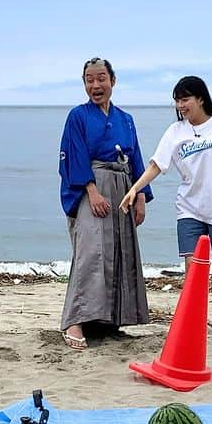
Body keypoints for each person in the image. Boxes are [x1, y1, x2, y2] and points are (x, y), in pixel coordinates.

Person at [120, 75, 212, 341]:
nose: (181, 105)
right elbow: (156, 165)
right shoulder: (175, 132)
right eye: (177, 100)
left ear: (200, 98)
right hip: (189, 206)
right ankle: (194, 319)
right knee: (193, 267)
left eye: (185, 99)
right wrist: (135, 188)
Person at [58, 57, 154, 350]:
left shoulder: (126, 119)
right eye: (90, 79)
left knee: (120, 251)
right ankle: (75, 321)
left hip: (124, 186)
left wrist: (140, 194)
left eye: (101, 78)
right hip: (93, 185)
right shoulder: (78, 116)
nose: (96, 85)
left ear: (113, 81)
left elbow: (137, 157)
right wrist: (91, 190)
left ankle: (109, 321)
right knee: (91, 251)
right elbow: (72, 155)